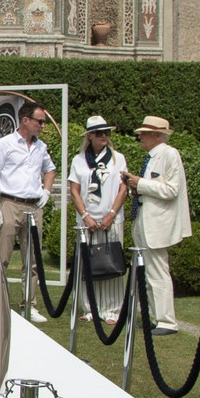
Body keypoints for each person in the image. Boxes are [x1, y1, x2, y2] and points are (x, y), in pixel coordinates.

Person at [0, 100, 56, 322]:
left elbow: (50, 169)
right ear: (26, 120)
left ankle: (29, 305)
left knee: (33, 259)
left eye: (43, 122)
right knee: (2, 257)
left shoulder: (40, 147)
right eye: (40, 121)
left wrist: (46, 190)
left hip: (33, 205)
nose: (43, 126)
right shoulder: (4, 144)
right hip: (10, 203)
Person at [123, 115, 190, 335]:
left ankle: (167, 321)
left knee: (158, 272)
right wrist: (135, 186)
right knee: (149, 272)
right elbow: (153, 187)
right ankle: (154, 316)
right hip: (144, 218)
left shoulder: (170, 155)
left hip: (157, 222)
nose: (140, 137)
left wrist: (139, 183)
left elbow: (172, 190)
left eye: (144, 133)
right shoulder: (152, 157)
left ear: (157, 135)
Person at [68, 116, 128, 323]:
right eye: (100, 133)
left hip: (111, 218)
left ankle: (112, 309)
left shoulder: (117, 158)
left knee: (111, 262)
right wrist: (85, 215)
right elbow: (74, 190)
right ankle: (90, 307)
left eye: (107, 133)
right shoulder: (79, 160)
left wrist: (111, 214)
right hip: (87, 220)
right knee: (88, 263)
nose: (104, 136)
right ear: (90, 136)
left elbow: (123, 188)